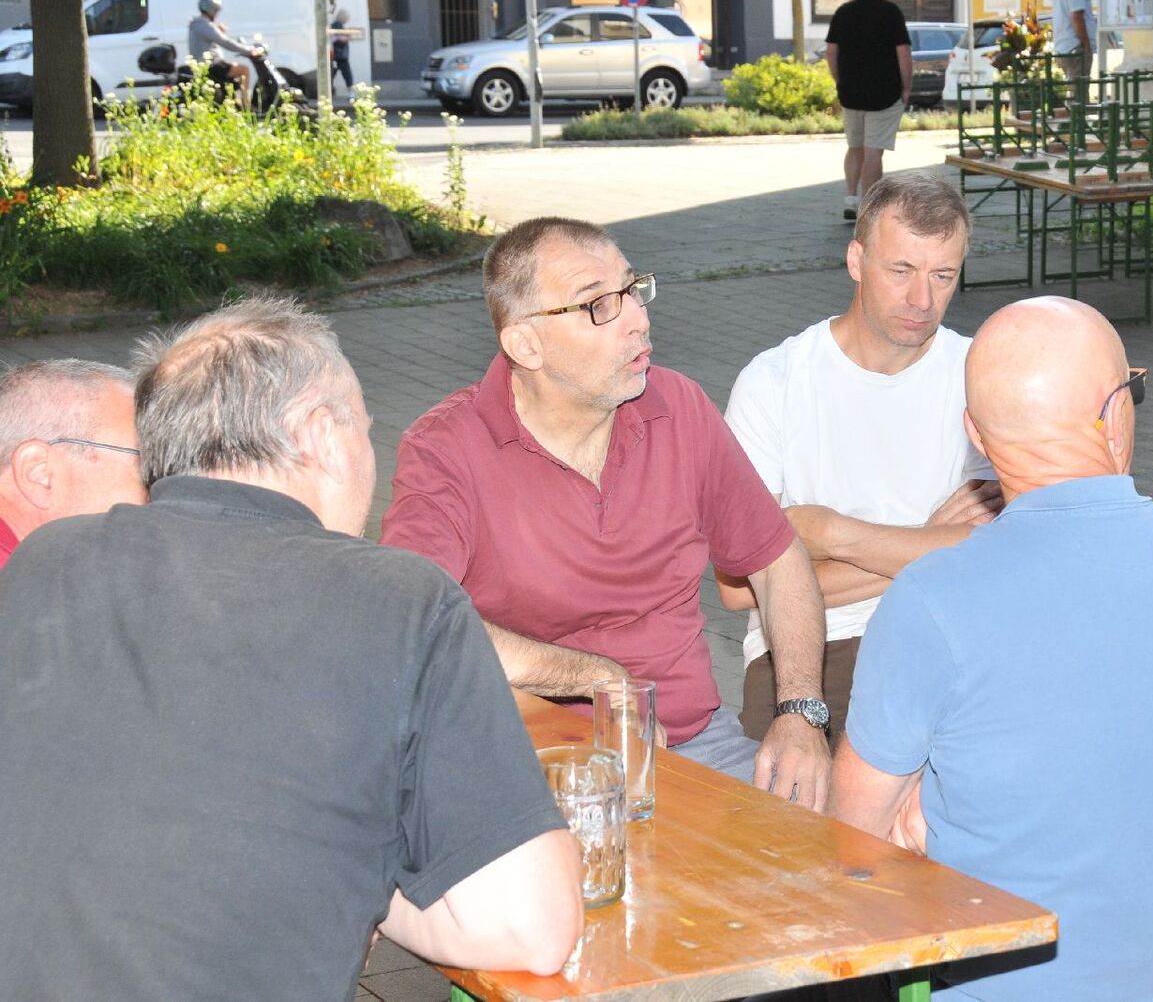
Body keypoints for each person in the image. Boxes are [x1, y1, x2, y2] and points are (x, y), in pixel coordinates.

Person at [0, 299, 582, 999]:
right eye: (365, 427)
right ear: (321, 435)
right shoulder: (399, 599)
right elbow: (531, 925)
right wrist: (361, 862)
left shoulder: (44, 559)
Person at [833, 297, 1153, 1001]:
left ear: (976, 435)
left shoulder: (933, 598)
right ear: (1117, 413)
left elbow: (854, 843)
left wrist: (928, 808)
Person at [383, 217, 832, 805]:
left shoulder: (677, 406)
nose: (637, 319)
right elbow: (411, 620)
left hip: (690, 744)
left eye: (632, 289)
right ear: (525, 344)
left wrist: (800, 712)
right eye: (597, 305)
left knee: (827, 842)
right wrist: (597, 677)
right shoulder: (446, 449)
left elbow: (777, 561)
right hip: (521, 758)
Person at [723, 170, 999, 739]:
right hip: (816, 648)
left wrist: (828, 534)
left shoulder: (984, 376)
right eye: (901, 270)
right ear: (856, 260)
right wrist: (932, 543)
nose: (922, 300)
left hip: (957, 639)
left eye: (943, 276)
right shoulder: (775, 383)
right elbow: (738, 586)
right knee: (783, 794)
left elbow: (1007, 550)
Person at [0, 358, 147, 570]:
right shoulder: (17, 583)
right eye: (144, 463)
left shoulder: (31, 567)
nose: (161, 487)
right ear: (40, 474)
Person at [825, 0, 912, 221]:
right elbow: (903, 53)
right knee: (873, 150)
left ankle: (850, 198)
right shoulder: (891, 13)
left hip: (850, 93)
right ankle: (869, 206)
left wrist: (839, 81)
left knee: (855, 147)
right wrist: (906, 87)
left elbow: (831, 51)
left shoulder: (843, 12)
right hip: (884, 94)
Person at [187, 0, 254, 110]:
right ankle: (246, 106)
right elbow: (225, 42)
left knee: (233, 74)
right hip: (212, 65)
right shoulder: (205, 25)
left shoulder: (198, 24)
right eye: (216, 11)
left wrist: (218, 29)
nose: (217, 14)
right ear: (211, 10)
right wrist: (249, 51)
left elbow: (211, 37)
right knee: (244, 69)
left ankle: (234, 101)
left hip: (202, 64)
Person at [1051, 0, 1096, 102]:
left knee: (1073, 94)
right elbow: (1077, 16)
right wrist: (1086, 45)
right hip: (1076, 48)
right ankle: (1077, 118)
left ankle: (1072, 116)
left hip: (1064, 46)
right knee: (1079, 96)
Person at [330, 7, 355, 95]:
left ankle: (329, 91)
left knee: (332, 74)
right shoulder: (337, 25)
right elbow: (338, 38)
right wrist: (348, 37)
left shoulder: (336, 25)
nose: (347, 20)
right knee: (347, 74)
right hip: (340, 55)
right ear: (342, 16)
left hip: (337, 54)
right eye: (346, 18)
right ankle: (351, 94)